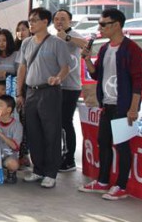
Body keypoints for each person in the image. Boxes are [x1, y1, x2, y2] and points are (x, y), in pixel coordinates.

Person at [78, 8, 142, 201]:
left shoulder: (131, 49)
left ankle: (121, 186)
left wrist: (133, 108)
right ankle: (103, 181)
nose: (100, 28)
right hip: (107, 105)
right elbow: (96, 74)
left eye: (103, 24)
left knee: (122, 146)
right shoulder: (105, 48)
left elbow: (138, 80)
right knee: (104, 143)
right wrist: (87, 60)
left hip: (123, 106)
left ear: (116, 25)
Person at [16, 7, 70, 188]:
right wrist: (19, 92)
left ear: (45, 22)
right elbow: (22, 68)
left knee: (51, 132)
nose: (30, 23)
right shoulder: (26, 43)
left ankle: (51, 173)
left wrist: (58, 78)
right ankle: (38, 169)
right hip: (31, 91)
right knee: (33, 132)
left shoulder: (57, 43)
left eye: (34, 20)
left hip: (49, 92)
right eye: (30, 20)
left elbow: (65, 67)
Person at [53, 9, 88, 173]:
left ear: (70, 21)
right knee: (58, 123)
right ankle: (60, 155)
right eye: (56, 19)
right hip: (55, 86)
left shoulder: (73, 35)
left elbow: (86, 45)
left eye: (63, 19)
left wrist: (66, 37)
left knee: (66, 122)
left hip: (70, 87)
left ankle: (69, 159)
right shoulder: (53, 37)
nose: (59, 21)